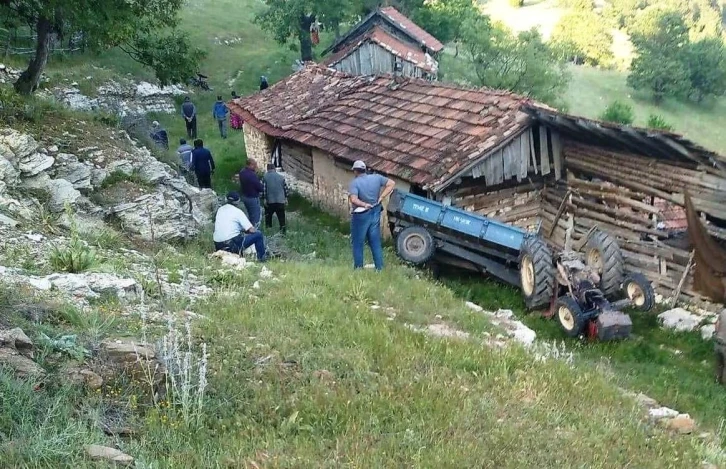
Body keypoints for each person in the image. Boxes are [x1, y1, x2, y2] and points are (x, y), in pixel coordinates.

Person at [348, 160, 395, 271]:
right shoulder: (376, 178)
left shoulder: (355, 183)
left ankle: (358, 268)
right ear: (365, 169)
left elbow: (353, 199)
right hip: (375, 212)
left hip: (361, 215)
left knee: (358, 242)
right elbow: (391, 183)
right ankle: (379, 268)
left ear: (355, 171)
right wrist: (381, 197)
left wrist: (365, 204)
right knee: (375, 241)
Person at [213, 192, 267, 261]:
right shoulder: (238, 211)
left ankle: (239, 257)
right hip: (231, 245)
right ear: (238, 201)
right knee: (258, 235)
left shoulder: (220, 210)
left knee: (238, 237)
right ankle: (262, 259)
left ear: (226, 199)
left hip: (218, 245)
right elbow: (251, 230)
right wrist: (247, 231)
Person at [262, 163, 289, 234]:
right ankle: (283, 232)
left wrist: (264, 199)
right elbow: (285, 189)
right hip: (280, 201)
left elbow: (264, 189)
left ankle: (268, 231)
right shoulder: (281, 177)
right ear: (274, 169)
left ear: (267, 169)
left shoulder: (265, 177)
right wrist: (286, 198)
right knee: (281, 218)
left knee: (268, 217)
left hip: (270, 201)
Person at [238, 159, 264, 227]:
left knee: (250, 214)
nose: (256, 166)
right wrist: (262, 187)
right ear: (250, 165)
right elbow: (258, 186)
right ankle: (254, 232)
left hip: (244, 195)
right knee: (255, 217)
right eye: (254, 165)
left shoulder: (242, 172)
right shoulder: (251, 175)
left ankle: (249, 229)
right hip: (252, 197)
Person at [715, 309, 726, 385]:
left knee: (719, 364)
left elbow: (717, 325)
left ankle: (717, 380)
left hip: (718, 341)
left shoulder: (723, 311)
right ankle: (724, 383)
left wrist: (717, 334)